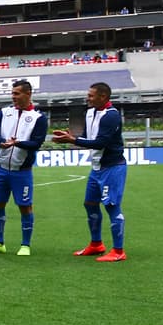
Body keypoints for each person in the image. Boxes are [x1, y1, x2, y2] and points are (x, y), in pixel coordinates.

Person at [53, 82, 127, 262]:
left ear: (103, 97)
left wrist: (73, 140)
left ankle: (118, 251)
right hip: (96, 168)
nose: (88, 98)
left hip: (112, 167)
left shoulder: (111, 116)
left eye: (91, 95)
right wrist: (70, 136)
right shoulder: (89, 113)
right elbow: (88, 137)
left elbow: (100, 142)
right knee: (90, 204)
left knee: (111, 206)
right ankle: (96, 244)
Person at [0, 81, 48, 257]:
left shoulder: (39, 117)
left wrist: (18, 143)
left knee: (25, 206)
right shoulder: (4, 113)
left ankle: (25, 244)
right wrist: (1, 143)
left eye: (17, 93)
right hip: (1, 169)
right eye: (12, 93)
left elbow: (36, 143)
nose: (13, 96)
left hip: (22, 171)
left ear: (28, 94)